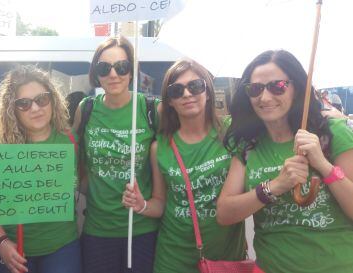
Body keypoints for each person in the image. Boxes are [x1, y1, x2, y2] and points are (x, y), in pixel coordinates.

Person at [218, 50, 353, 273]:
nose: (265, 97)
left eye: (277, 86)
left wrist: (322, 164)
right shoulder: (249, 145)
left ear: (296, 88)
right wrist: (275, 186)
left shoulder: (333, 133)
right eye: (255, 89)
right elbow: (224, 213)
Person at [122, 59, 246, 272]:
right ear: (169, 101)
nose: (187, 94)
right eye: (176, 90)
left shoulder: (232, 133)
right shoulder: (160, 147)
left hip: (226, 259)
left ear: (208, 92)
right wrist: (141, 205)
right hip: (173, 259)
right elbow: (160, 203)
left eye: (195, 86)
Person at [0, 65, 81, 273]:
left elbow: (83, 181)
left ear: (52, 99)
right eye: (23, 104)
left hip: (61, 248)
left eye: (42, 99)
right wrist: (1, 243)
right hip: (12, 250)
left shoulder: (71, 141)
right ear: (12, 109)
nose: (35, 108)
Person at [72, 36, 159, 273]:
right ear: (96, 73)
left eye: (122, 67)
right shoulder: (86, 108)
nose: (113, 74)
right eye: (104, 68)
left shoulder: (151, 108)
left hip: (141, 229)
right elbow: (75, 157)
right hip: (97, 231)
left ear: (131, 71)